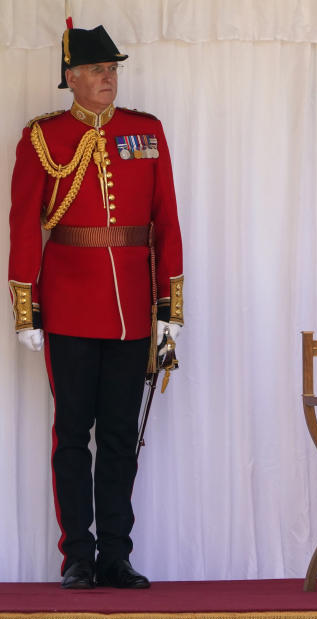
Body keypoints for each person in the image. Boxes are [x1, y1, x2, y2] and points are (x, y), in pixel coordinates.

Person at [7, 22, 183, 589]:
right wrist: (25, 308)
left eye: (113, 70)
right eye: (98, 70)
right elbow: (24, 225)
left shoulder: (145, 131)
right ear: (72, 78)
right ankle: (77, 555)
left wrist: (168, 308)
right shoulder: (43, 138)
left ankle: (115, 555)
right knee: (72, 435)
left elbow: (166, 222)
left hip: (133, 309)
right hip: (69, 308)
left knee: (119, 438)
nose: (109, 79)